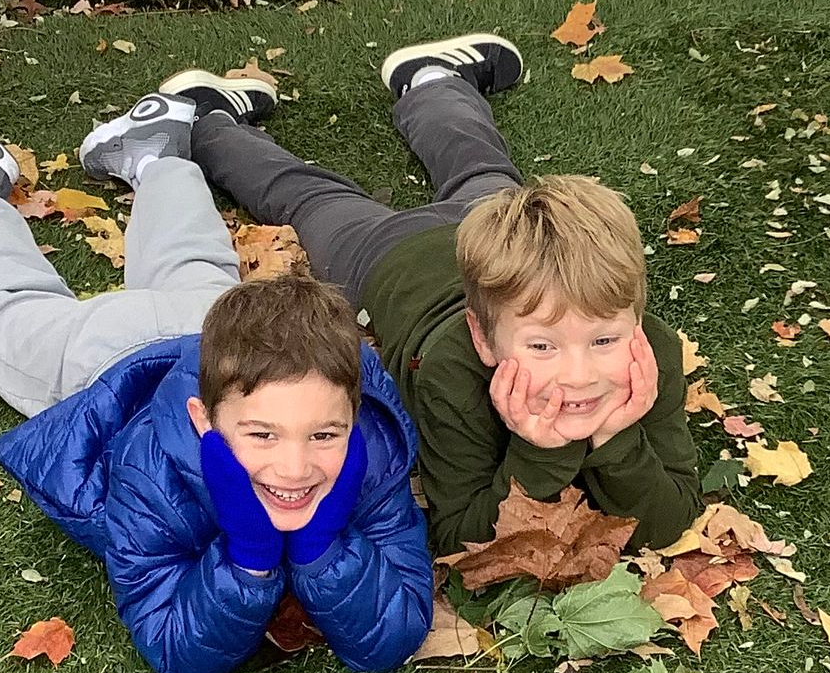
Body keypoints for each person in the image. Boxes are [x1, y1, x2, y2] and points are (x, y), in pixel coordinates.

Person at [0, 84, 433, 673]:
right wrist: (249, 558)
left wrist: (322, 546)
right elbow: (175, 652)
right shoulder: (152, 471)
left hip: (204, 324)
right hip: (102, 355)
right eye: (263, 435)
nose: (294, 468)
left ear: (353, 413)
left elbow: (394, 635)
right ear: (202, 420)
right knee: (6, 313)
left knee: (194, 267)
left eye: (324, 435)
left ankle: (157, 153)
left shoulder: (369, 451)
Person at [187, 33, 703, 558]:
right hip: (389, 255)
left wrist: (616, 439)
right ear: (483, 339)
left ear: (636, 320)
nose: (579, 375)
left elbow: (672, 517)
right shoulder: (452, 371)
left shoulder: (650, 351)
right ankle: (204, 120)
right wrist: (539, 451)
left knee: (484, 170)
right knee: (310, 196)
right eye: (542, 346)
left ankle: (431, 78)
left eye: (603, 340)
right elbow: (460, 537)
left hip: (495, 243)